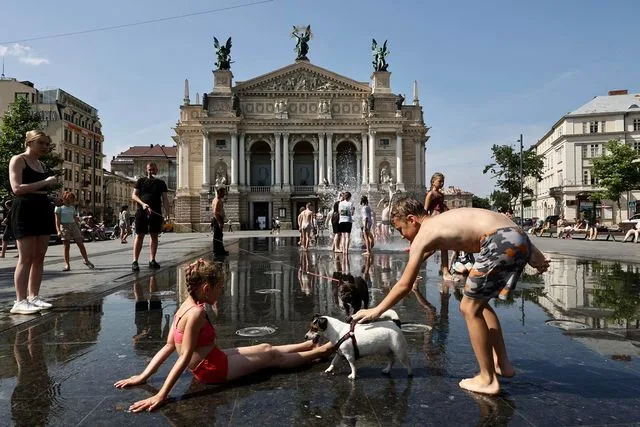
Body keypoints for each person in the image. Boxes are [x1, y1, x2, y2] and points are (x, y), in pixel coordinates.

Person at [352, 197, 550, 395]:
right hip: (517, 236)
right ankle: (502, 363)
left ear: (412, 220)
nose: (402, 236)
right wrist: (535, 255)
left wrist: (377, 310)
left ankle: (487, 379)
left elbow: (404, 284)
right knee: (479, 304)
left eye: (400, 229)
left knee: (468, 307)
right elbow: (501, 221)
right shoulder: (444, 219)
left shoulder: (424, 233)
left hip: (496, 241)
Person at [114, 258, 333, 412]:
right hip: (212, 370)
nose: (222, 293)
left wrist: (143, 377)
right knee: (270, 359)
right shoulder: (197, 313)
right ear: (207, 288)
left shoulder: (185, 306)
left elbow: (168, 346)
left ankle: (306, 346)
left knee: (266, 347)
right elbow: (182, 357)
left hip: (213, 358)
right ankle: (322, 350)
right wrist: (161, 394)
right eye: (220, 288)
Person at [8, 130, 58, 314]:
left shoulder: (41, 164)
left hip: (42, 208)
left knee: (39, 256)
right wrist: (45, 183)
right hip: (25, 209)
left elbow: (39, 189)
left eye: (47, 144)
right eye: (41, 143)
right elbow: (17, 188)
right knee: (26, 257)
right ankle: (19, 301)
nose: (45, 147)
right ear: (30, 142)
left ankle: (33, 296)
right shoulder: (18, 159)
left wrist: (52, 197)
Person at [131, 162, 170, 271]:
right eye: (149, 169)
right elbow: (134, 195)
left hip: (156, 211)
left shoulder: (161, 183)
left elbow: (165, 199)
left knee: (154, 235)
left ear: (156, 170)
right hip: (141, 211)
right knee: (140, 235)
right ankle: (135, 261)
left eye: (153, 169)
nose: (151, 171)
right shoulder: (141, 181)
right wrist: (143, 204)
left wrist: (167, 214)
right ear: (146, 170)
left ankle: (152, 260)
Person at [54, 191, 94, 271]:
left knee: (81, 244)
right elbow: (57, 221)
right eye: (69, 199)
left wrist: (80, 227)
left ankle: (86, 260)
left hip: (74, 226)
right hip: (64, 226)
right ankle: (67, 264)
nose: (70, 201)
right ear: (64, 199)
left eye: (72, 199)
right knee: (66, 247)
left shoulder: (72, 208)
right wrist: (58, 230)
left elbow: (75, 218)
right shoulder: (59, 208)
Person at [424, 172, 453, 280]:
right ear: (433, 182)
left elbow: (442, 207)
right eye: (439, 181)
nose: (442, 183)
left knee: (444, 247)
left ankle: (445, 271)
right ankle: (415, 264)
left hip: (441, 221)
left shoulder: (441, 195)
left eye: (443, 182)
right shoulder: (430, 194)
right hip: (434, 221)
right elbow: (425, 210)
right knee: (432, 249)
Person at [211, 187, 229, 256]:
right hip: (217, 220)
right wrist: (219, 222)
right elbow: (215, 213)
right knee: (217, 237)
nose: (224, 194)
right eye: (223, 192)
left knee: (219, 236)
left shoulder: (216, 200)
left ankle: (221, 251)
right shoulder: (217, 200)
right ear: (219, 192)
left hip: (218, 219)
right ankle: (216, 252)